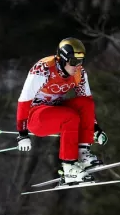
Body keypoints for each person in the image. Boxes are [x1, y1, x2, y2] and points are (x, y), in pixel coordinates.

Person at [16, 37, 108, 185]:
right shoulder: (43, 69)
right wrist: (22, 134)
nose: (77, 66)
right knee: (70, 117)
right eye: (73, 62)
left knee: (85, 103)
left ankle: (83, 154)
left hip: (56, 110)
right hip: (36, 116)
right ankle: (69, 168)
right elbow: (24, 101)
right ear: (62, 59)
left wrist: (95, 129)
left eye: (80, 61)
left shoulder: (79, 74)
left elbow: (86, 105)